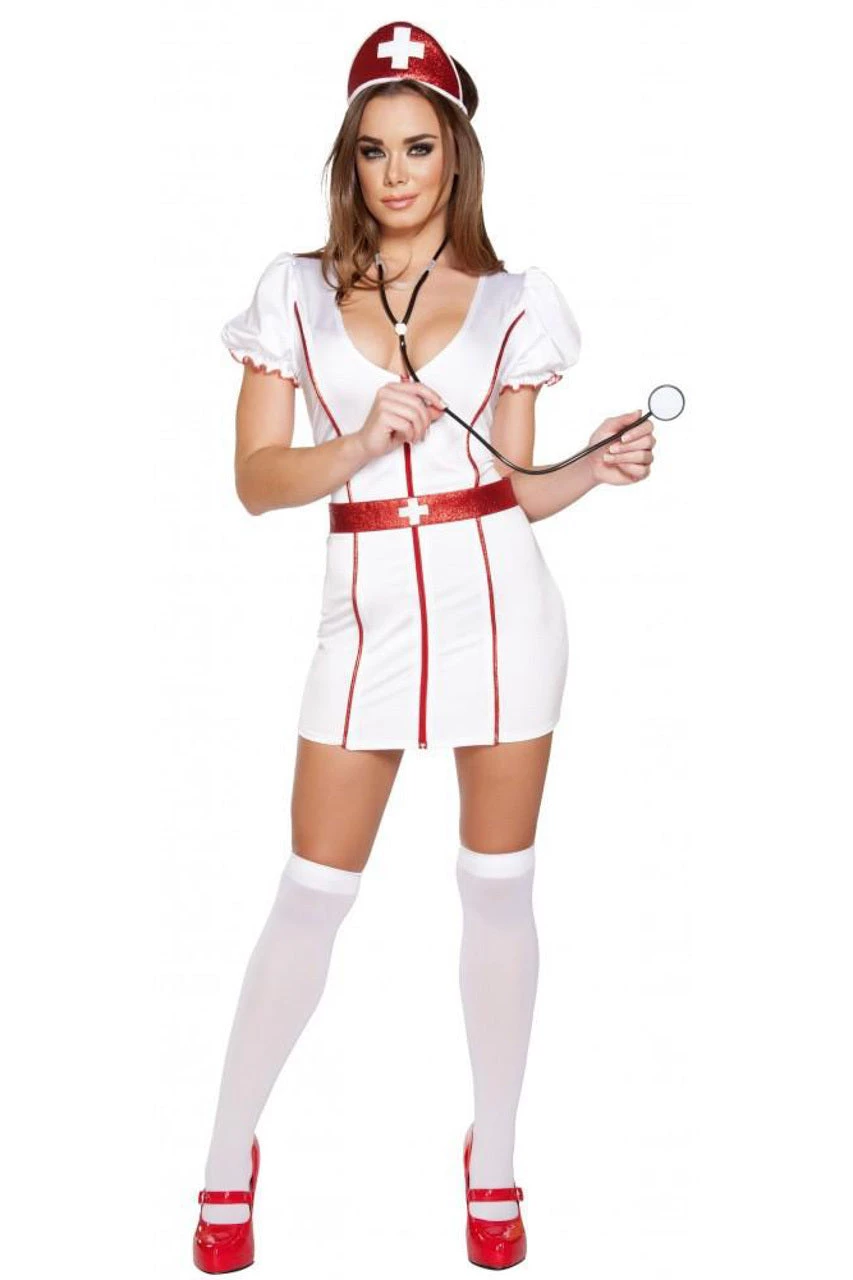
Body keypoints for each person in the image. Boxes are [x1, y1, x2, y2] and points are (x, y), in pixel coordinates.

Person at [193, 19, 655, 1274]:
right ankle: (227, 1151)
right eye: (373, 149)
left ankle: (492, 1156)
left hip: (503, 612)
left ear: (455, 155)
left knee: (496, 885)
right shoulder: (292, 294)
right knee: (313, 890)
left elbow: (511, 487)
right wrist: (357, 442)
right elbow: (253, 481)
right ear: (349, 161)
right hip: (364, 623)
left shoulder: (515, 302)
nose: (396, 172)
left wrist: (594, 466)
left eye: (418, 146)